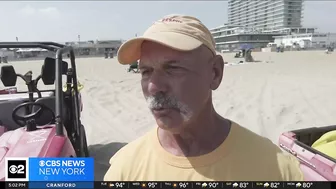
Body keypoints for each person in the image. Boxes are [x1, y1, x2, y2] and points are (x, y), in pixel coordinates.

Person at [104, 14, 303, 181]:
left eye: (173, 69)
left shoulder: (276, 168)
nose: (154, 87)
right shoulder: (124, 170)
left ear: (215, 73)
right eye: (146, 71)